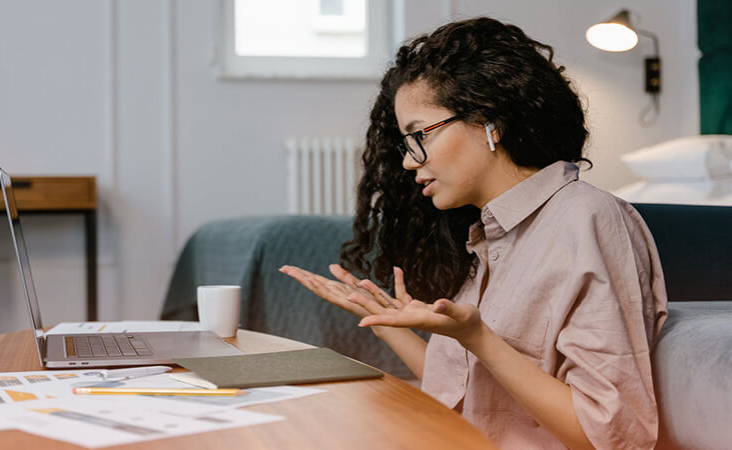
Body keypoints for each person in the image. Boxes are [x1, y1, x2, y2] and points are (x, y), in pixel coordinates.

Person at [280, 17, 667, 449]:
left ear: (489, 121)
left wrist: (478, 337)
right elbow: (474, 397)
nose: (409, 162)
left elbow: (612, 435)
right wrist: (386, 324)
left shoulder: (588, 219)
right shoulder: (483, 236)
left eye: (419, 135)